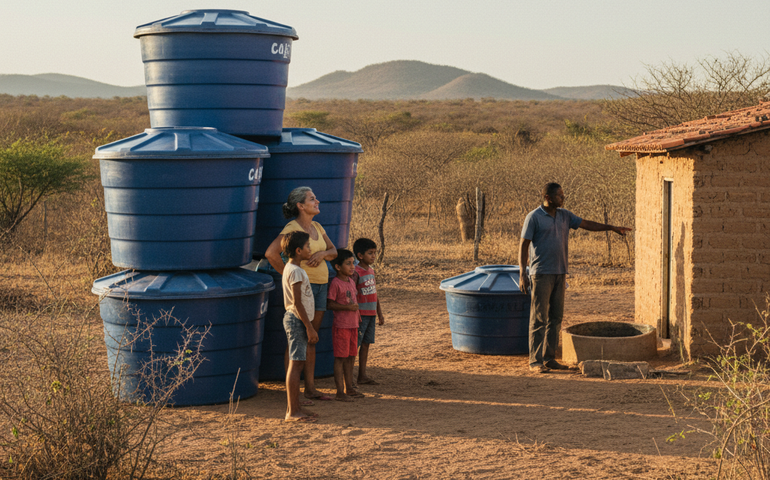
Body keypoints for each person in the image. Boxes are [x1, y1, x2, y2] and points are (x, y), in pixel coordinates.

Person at [518, 183, 631, 374]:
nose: (563, 198)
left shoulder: (565, 216)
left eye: (563, 195)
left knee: (555, 318)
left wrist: (612, 228)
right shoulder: (534, 217)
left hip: (560, 272)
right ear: (548, 197)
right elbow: (523, 245)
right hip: (541, 273)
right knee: (539, 318)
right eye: (560, 196)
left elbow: (587, 224)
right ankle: (535, 361)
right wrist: (523, 272)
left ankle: (549, 358)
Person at [265, 187, 337, 401]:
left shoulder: (317, 226)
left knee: (311, 337)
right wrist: (291, 276)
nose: (317, 201)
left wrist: (323, 254)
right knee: (298, 338)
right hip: (305, 289)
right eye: (312, 199)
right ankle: (293, 394)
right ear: (301, 206)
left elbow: (334, 251)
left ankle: (311, 388)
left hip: (321, 285)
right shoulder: (292, 228)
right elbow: (271, 253)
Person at [281, 231, 320, 422]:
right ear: (298, 250)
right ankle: (293, 412)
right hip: (297, 320)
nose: (310, 249)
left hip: (296, 319)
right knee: (296, 366)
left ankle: (294, 408)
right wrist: (309, 327)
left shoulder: (291, 268)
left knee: (297, 364)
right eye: (307, 246)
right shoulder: (296, 271)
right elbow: (297, 302)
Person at [327, 249, 365, 401]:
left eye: (353, 263)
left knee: (350, 356)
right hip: (341, 326)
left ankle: (349, 388)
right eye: (348, 264)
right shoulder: (336, 283)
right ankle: (339, 391)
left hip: (353, 325)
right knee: (340, 358)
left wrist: (357, 317)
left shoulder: (351, 281)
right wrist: (348, 308)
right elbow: (330, 304)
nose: (352, 267)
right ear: (337, 267)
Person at [352, 238, 385, 385]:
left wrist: (380, 313)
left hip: (371, 314)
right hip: (360, 316)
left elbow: (374, 293)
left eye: (374, 253)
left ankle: (362, 375)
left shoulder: (371, 271)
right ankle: (349, 376)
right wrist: (356, 313)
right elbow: (352, 294)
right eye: (370, 253)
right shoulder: (356, 272)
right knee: (355, 345)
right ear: (360, 255)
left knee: (366, 344)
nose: (373, 256)